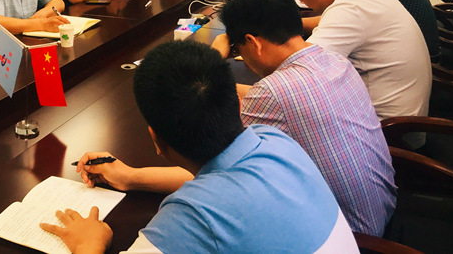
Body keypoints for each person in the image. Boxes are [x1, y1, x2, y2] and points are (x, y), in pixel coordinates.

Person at [41, 40, 358, 253]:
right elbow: (220, 180)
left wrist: (90, 243)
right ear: (237, 103)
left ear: (156, 139)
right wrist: (131, 177)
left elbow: (210, 194)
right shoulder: (272, 139)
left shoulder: (191, 218)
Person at [211, 0, 396, 236]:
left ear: (253, 43)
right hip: (382, 210)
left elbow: (223, 173)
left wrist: (212, 64)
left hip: (350, 238)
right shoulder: (334, 60)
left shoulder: (272, 93)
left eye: (236, 48)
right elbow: (276, 96)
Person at [285, 0, 431, 122]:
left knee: (292, 106)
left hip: (389, 127)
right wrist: (291, 24)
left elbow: (301, 69)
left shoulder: (350, 9)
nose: (300, 0)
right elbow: (331, 21)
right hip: (408, 114)